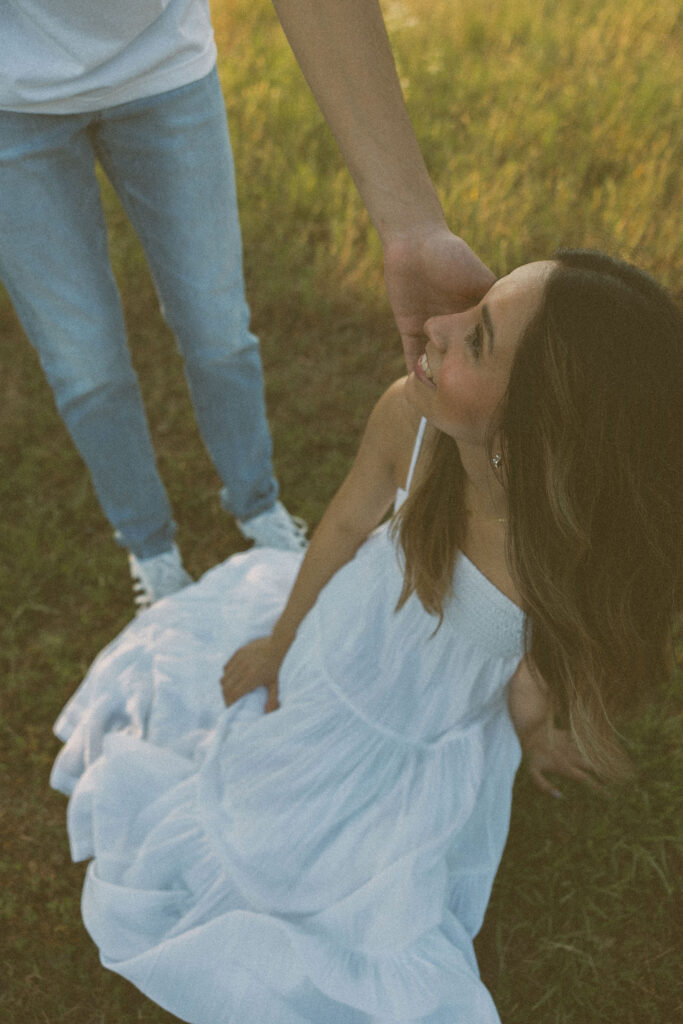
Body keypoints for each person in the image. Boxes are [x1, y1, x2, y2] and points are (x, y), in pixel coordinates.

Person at [50, 250, 682, 1022]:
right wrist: (279, 642)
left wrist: (532, 735)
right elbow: (347, 521)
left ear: (536, 431)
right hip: (339, 656)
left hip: (424, 726)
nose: (436, 325)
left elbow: (529, 677)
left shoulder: (558, 561)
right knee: (264, 827)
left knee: (372, 902)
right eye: (473, 306)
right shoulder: (411, 423)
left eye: (476, 338)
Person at [0, 0, 493, 609]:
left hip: (165, 70)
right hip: (11, 106)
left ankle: (256, 502)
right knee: (86, 364)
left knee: (218, 331)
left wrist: (414, 226)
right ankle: (151, 548)